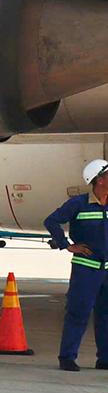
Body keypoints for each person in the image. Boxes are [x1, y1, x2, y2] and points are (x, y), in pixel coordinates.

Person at [44, 159, 108, 371]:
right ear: (99, 180)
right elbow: (51, 221)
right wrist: (67, 245)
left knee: (105, 315)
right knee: (78, 312)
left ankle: (104, 359)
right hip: (86, 268)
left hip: (106, 269)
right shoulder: (79, 203)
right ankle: (67, 357)